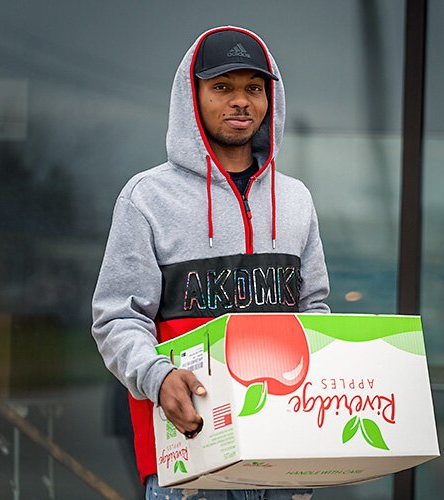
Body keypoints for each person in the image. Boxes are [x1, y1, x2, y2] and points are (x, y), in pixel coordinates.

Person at [92, 26, 329, 500]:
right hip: (187, 456)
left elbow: (314, 312)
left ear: (269, 99)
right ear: (192, 95)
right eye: (222, 87)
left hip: (282, 454)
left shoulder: (296, 199)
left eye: (253, 88)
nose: (240, 101)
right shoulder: (147, 199)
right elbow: (117, 319)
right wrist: (156, 377)